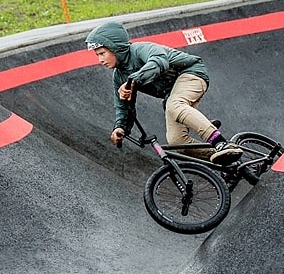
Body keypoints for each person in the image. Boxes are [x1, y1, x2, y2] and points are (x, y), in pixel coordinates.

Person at [85, 21, 242, 171]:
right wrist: (120, 127)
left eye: (102, 53)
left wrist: (133, 79)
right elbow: (123, 107)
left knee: (174, 105)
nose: (100, 60)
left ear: (116, 48)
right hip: (172, 94)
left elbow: (160, 61)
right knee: (177, 143)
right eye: (97, 55)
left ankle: (222, 143)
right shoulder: (118, 76)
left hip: (191, 73)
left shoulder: (140, 50)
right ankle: (226, 162)